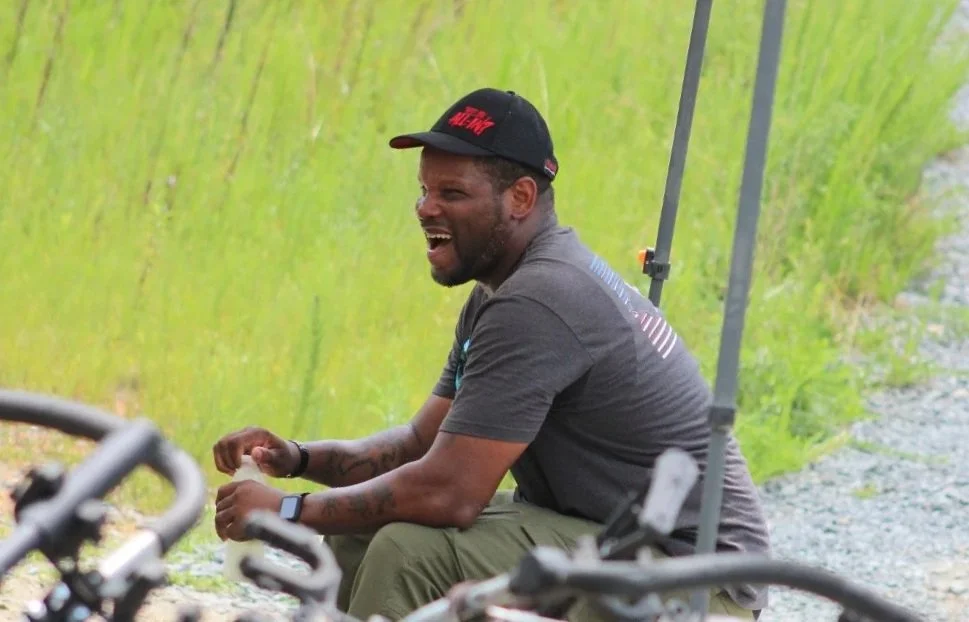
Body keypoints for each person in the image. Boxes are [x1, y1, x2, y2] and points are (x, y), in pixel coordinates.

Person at [211, 87, 772, 621]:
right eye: (424, 190)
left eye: (452, 193)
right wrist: (301, 458)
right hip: (607, 534)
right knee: (362, 531)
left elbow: (451, 494)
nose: (426, 208)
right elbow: (418, 446)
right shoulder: (501, 290)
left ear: (520, 197)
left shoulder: (541, 299)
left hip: (690, 584)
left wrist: (285, 512)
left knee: (408, 552)